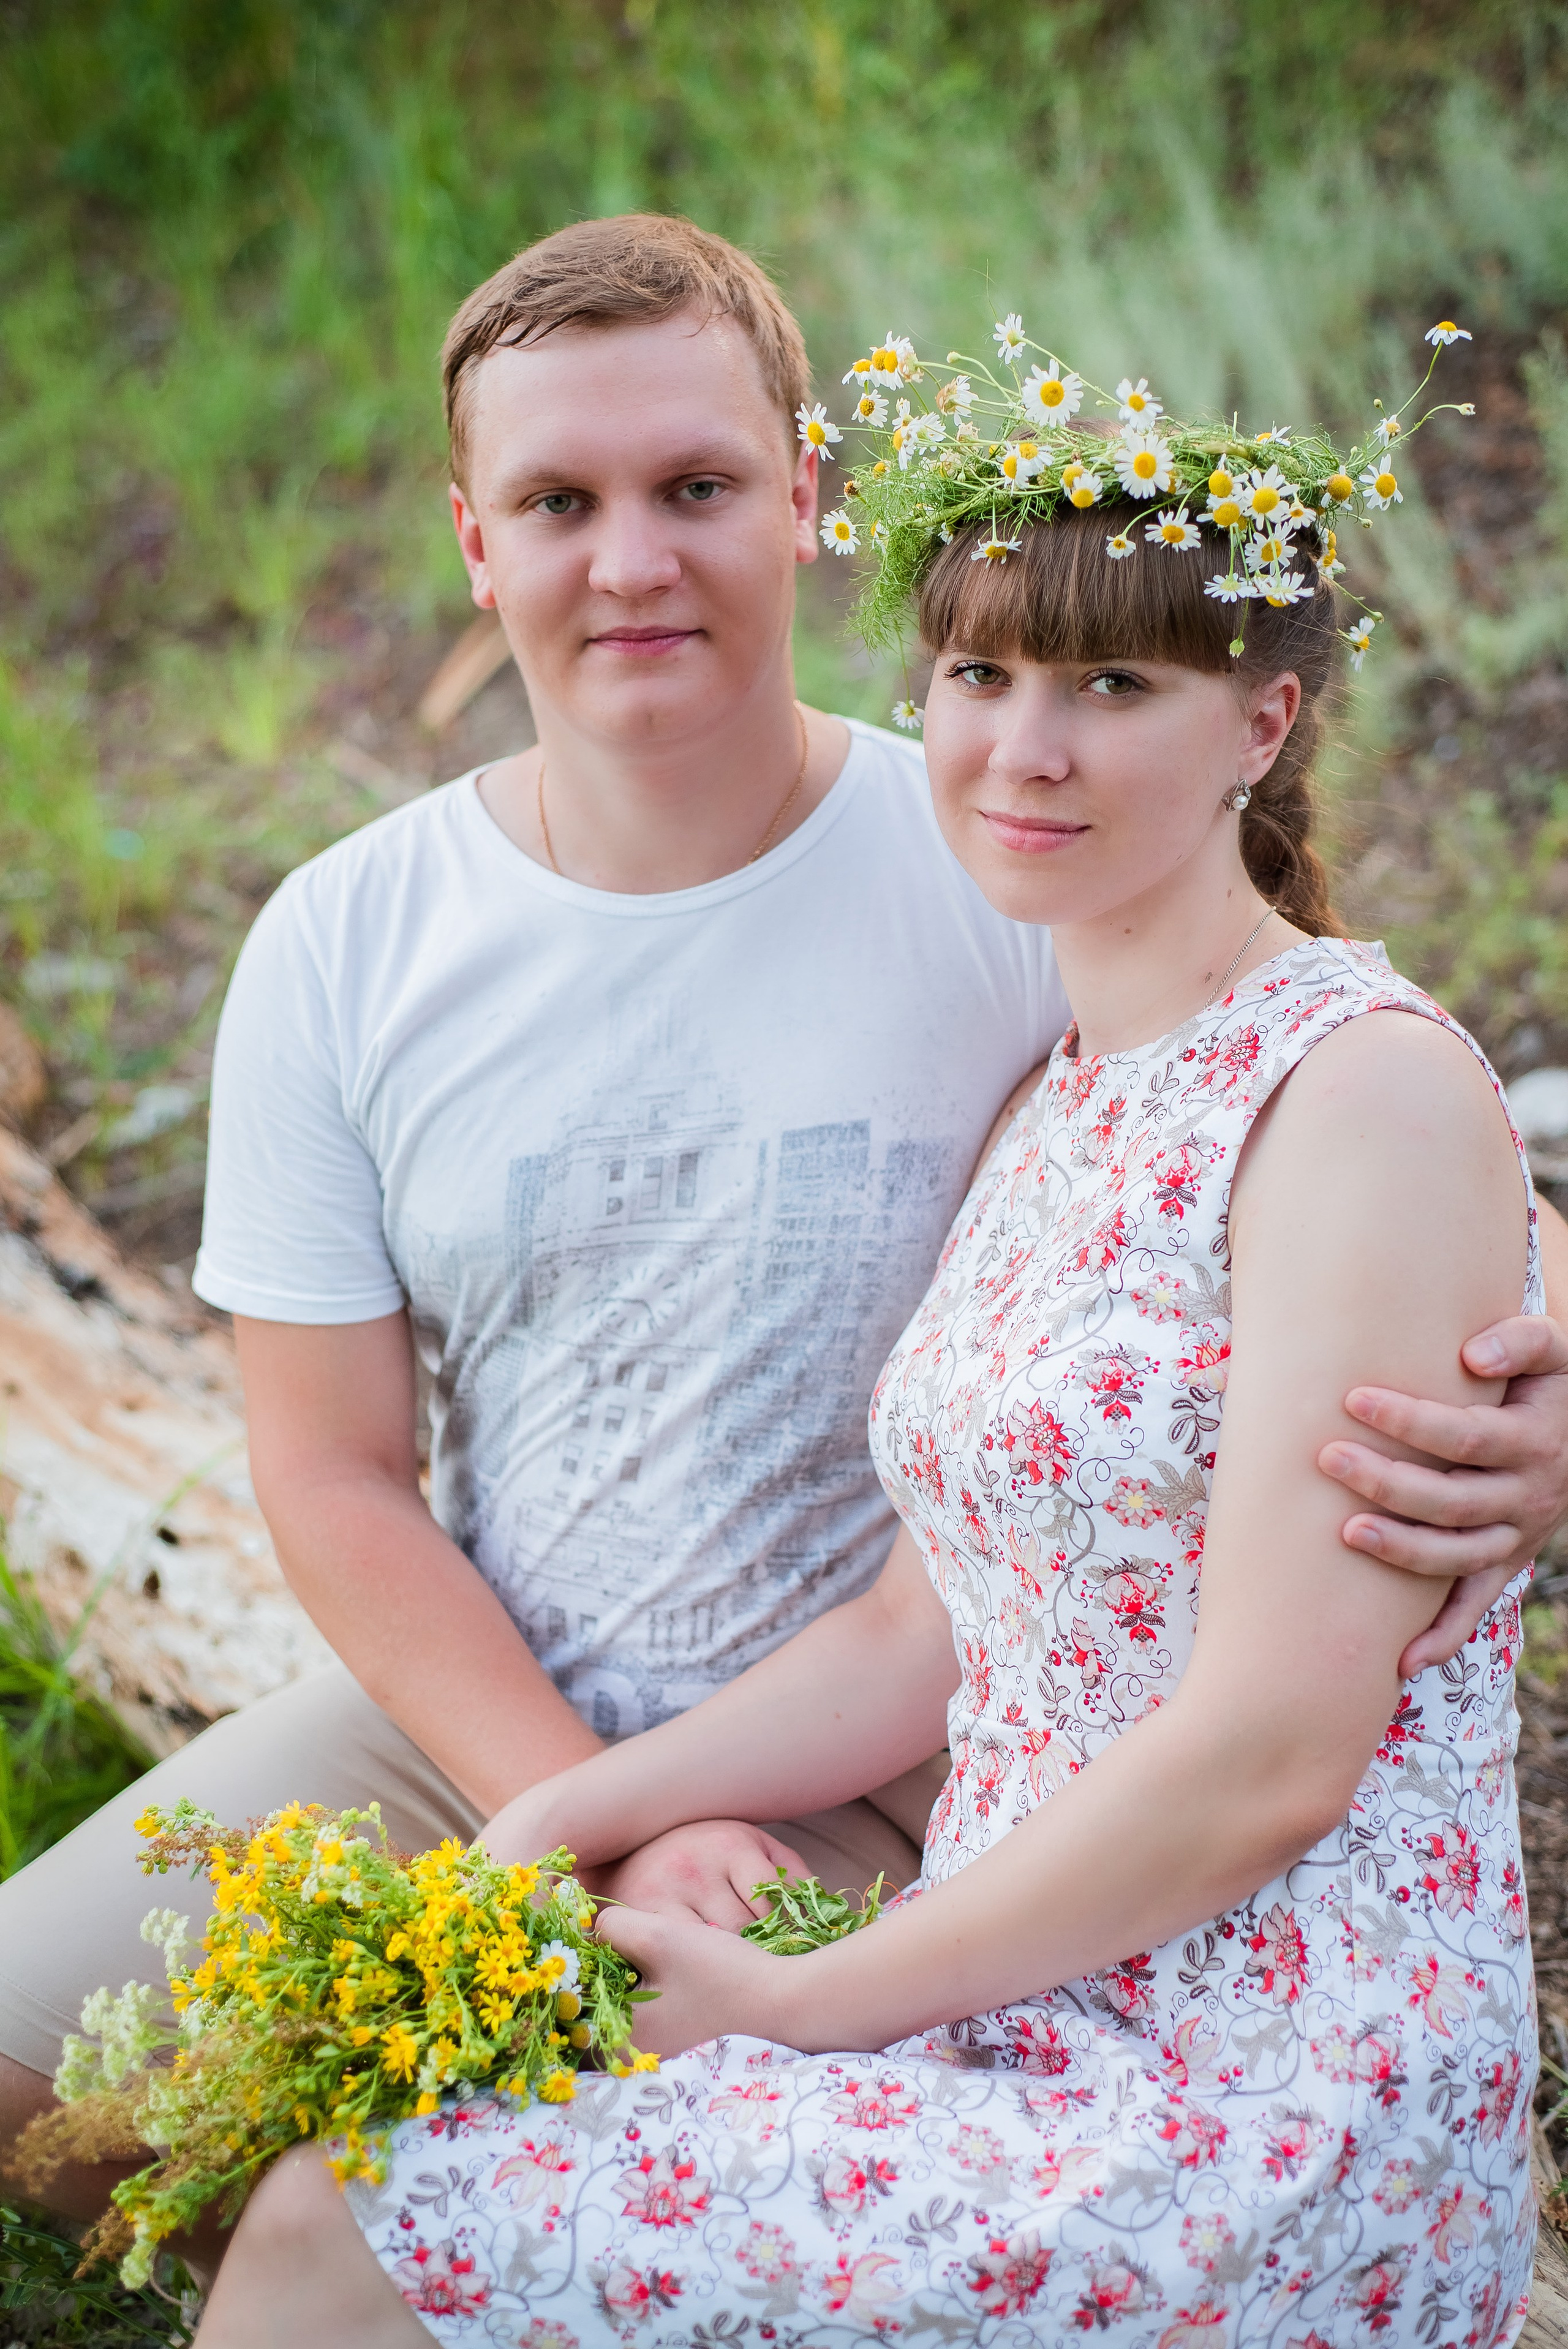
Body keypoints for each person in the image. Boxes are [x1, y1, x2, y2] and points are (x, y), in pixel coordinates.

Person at [2, 217, 1564, 2262]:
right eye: (560, 501)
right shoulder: (350, 939)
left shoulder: (1012, 854)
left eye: (699, 488)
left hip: (921, 1752)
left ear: (809, 501)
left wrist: (1546, 1387)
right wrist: (597, 1810)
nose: (631, 559)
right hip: (489, 1709)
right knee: (51, 2104)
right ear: (476, 541)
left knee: (382, 2209)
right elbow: (323, 1467)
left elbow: (1359, 1103)